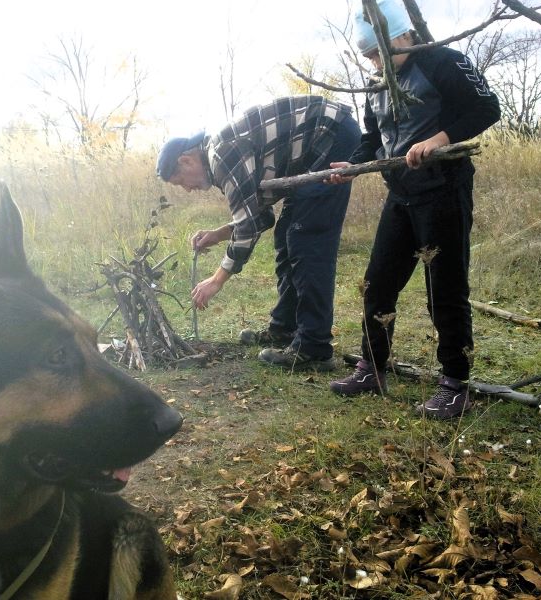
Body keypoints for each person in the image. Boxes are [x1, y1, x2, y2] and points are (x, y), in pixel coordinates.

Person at [326, 0, 500, 418]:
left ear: (402, 36)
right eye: (367, 55)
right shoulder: (377, 84)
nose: (374, 61)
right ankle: (372, 368)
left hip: (444, 191)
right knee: (377, 284)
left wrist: (438, 140)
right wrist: (355, 163)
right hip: (400, 195)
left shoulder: (443, 62)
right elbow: (374, 137)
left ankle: (455, 385)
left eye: (377, 51)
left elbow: (487, 108)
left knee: (445, 289)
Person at [156, 96, 361, 371]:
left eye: (181, 182)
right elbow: (259, 215)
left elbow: (248, 225)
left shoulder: (221, 154)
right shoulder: (222, 154)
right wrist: (219, 234)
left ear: (186, 161)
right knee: (287, 233)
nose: (187, 189)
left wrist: (216, 280)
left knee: (306, 239)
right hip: (316, 147)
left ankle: (314, 348)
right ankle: (284, 329)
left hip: (330, 134)